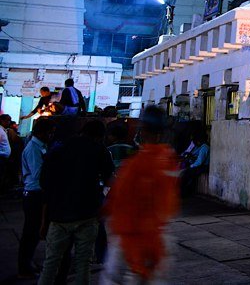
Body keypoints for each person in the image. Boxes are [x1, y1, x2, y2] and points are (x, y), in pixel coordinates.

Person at [101, 106, 180, 284]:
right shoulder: (168, 161)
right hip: (156, 241)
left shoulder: (137, 164)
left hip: (131, 241)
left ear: (142, 130)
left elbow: (119, 202)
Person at [38, 119, 114, 285]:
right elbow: (110, 179)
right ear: (100, 136)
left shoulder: (57, 150)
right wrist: (103, 201)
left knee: (51, 263)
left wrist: (44, 220)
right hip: (87, 215)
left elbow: (45, 185)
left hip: (58, 216)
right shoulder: (99, 150)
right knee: (83, 263)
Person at [17, 116, 55, 278]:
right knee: (30, 232)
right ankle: (24, 268)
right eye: (50, 132)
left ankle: (28, 263)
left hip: (36, 192)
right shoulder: (33, 148)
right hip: (34, 193)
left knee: (33, 232)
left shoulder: (40, 146)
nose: (52, 136)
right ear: (43, 132)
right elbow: (38, 174)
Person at [179, 128, 209, 197]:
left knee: (186, 173)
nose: (194, 143)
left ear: (199, 140)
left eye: (195, 141)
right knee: (186, 171)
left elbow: (199, 162)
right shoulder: (202, 147)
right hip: (201, 166)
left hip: (203, 167)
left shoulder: (204, 148)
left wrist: (191, 166)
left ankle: (184, 192)